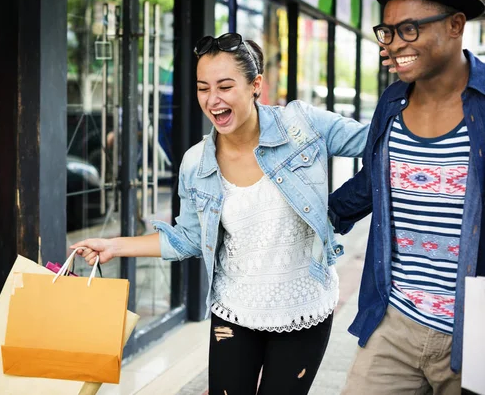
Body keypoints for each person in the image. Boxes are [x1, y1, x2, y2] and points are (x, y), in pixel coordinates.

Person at [71, 32, 368, 394]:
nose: (213, 100)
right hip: (234, 311)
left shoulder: (301, 125)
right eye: (202, 88)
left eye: (225, 87)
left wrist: (341, 209)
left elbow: (381, 140)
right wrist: (115, 246)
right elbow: (189, 237)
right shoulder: (196, 163)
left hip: (302, 309)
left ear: (255, 84)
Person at [328, 0, 485, 393]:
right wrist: (314, 217)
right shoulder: (392, 102)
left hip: (475, 332)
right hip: (393, 321)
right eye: (389, 31)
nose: (394, 44)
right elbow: (370, 185)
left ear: (456, 25)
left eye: (410, 30)